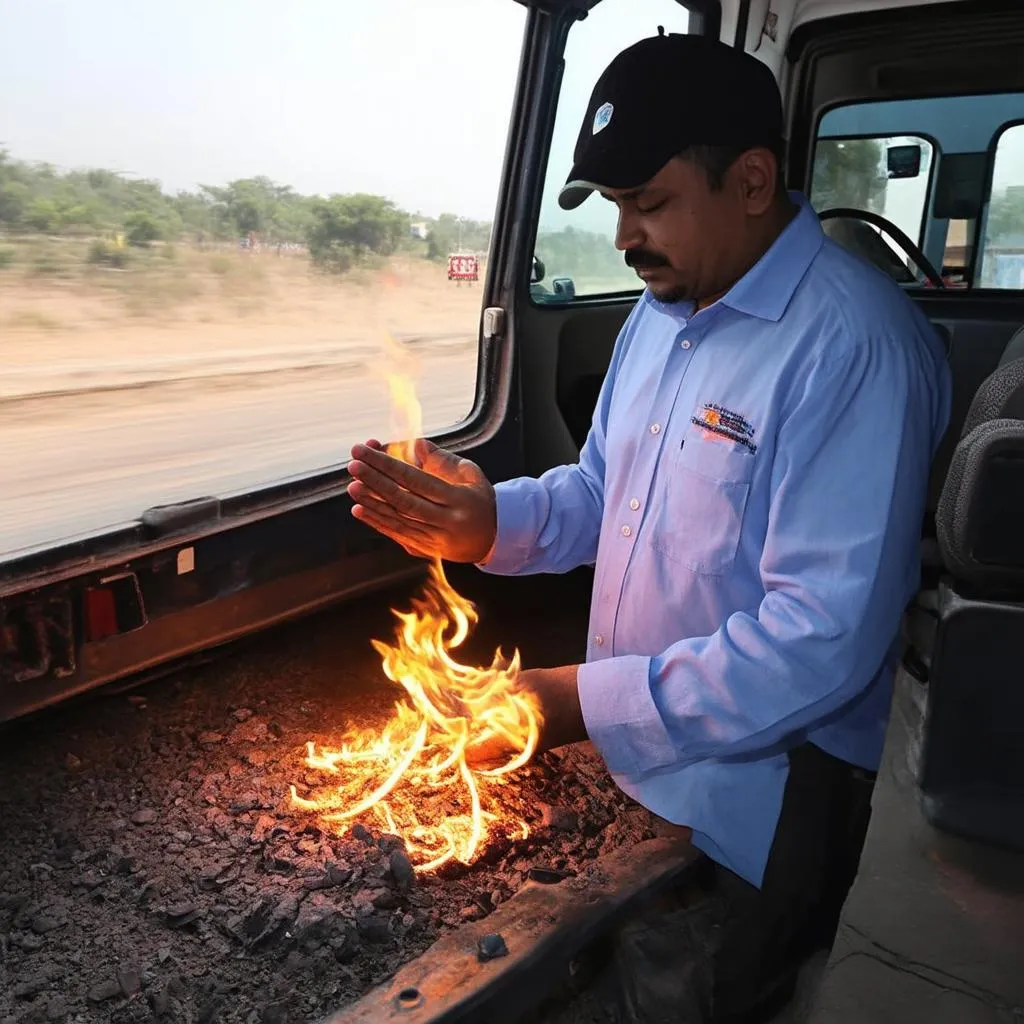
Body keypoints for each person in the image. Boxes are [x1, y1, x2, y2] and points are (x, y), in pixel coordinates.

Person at [346, 30, 951, 1024]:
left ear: (751, 182)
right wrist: (488, 520)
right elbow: (600, 491)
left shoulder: (850, 347)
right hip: (634, 753)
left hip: (754, 800)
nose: (626, 236)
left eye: (650, 203)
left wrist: (569, 701)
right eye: (617, 208)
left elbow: (820, 643)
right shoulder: (661, 313)